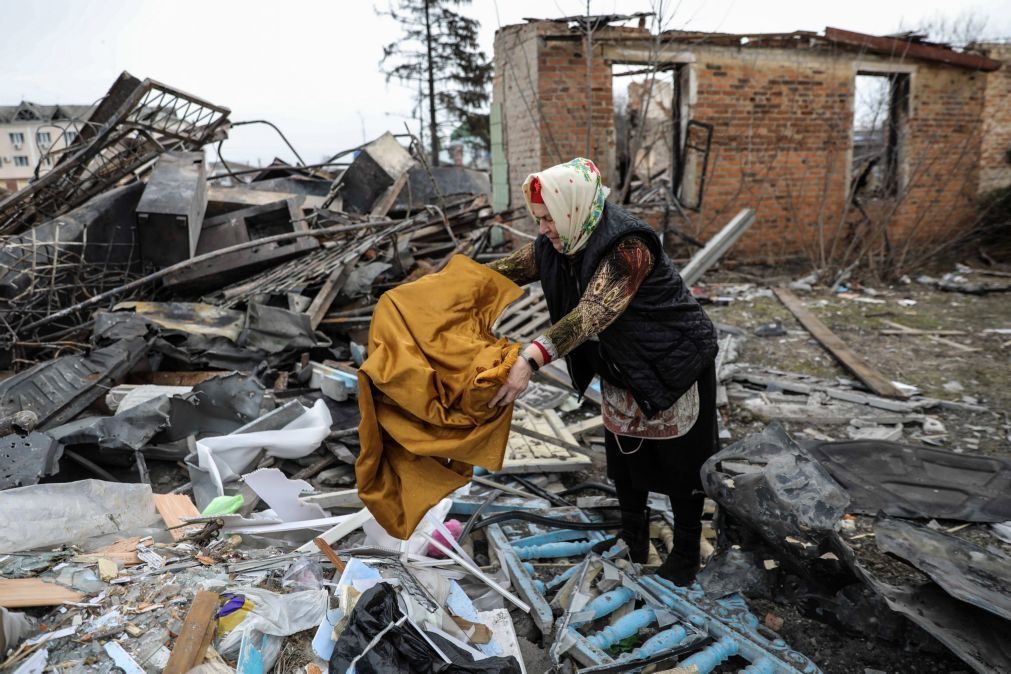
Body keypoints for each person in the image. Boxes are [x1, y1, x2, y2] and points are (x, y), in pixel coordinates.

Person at [486, 157, 719, 585]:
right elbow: (501, 273)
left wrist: (530, 358)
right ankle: (633, 538)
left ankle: (686, 553)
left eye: (547, 220)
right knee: (626, 457)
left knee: (681, 464)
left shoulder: (628, 247)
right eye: (538, 220)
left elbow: (593, 312)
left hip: (672, 361)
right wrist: (447, 287)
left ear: (570, 208)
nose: (542, 230)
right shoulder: (558, 242)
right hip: (623, 366)